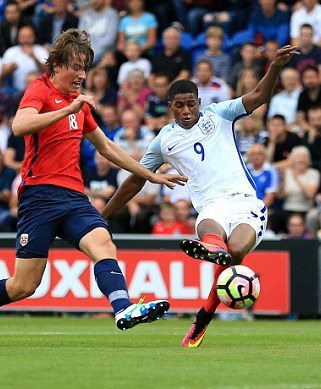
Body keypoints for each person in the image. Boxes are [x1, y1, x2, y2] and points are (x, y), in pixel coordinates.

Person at [0, 29, 187, 347]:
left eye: (85, 68)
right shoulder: (40, 90)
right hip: (39, 196)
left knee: (103, 244)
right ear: (57, 64)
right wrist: (66, 110)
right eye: (76, 67)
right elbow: (19, 125)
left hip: (74, 197)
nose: (81, 74)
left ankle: (123, 309)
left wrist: (149, 174)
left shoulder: (79, 104)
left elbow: (106, 147)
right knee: (24, 285)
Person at [100, 44, 299, 348]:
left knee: (234, 252)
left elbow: (259, 97)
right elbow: (134, 181)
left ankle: (204, 311)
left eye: (191, 103)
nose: (186, 110)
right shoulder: (164, 141)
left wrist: (274, 66)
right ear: (170, 106)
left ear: (199, 101)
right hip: (211, 207)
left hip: (245, 202)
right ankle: (211, 257)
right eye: (179, 105)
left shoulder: (219, 114)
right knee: (212, 230)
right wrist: (104, 214)